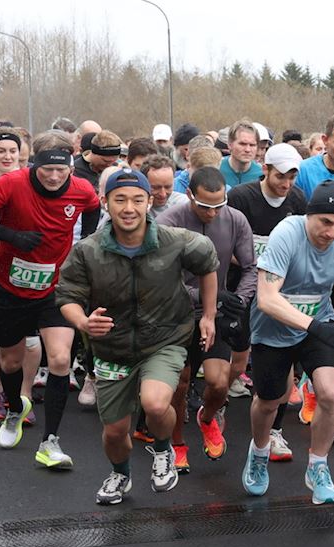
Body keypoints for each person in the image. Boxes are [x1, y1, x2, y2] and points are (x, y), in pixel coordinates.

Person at [56, 169, 219, 504]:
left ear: (148, 203)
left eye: (136, 199)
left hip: (165, 339)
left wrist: (209, 315)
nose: (128, 208)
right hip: (111, 348)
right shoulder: (87, 251)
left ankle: (163, 450)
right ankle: (120, 474)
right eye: (120, 200)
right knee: (115, 431)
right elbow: (67, 296)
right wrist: (84, 323)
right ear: (105, 203)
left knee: (155, 403)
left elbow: (208, 262)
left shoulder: (176, 241)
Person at [240, 181, 334, 504]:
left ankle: (318, 466)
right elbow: (267, 298)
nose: (331, 232)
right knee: (271, 400)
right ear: (308, 215)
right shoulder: (287, 233)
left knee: (330, 393)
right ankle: (259, 451)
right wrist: (315, 326)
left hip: (319, 322)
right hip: (273, 327)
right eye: (324, 222)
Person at [0, 130, 102, 466]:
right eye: (46, 169)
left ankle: (50, 441)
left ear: (71, 167)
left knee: (60, 360)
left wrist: (85, 243)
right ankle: (15, 408)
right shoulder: (12, 184)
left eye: (60, 170)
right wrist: (12, 236)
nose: (53, 176)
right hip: (9, 287)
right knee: (11, 362)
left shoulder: (81, 189)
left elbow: (92, 208)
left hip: (56, 288)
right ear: (34, 164)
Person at [157, 166, 256, 469]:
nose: (212, 213)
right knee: (180, 382)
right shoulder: (168, 222)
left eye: (218, 205)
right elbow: (161, 277)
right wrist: (206, 296)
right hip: (175, 313)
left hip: (216, 313)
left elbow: (252, 267)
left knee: (219, 382)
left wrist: (239, 299)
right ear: (189, 195)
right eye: (204, 206)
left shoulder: (235, 219)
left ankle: (207, 417)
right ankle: (177, 444)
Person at [227, 142, 307, 460]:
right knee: (237, 357)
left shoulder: (298, 200)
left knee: (279, 357)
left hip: (279, 290)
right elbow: (224, 241)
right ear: (265, 169)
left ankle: (273, 432)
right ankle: (216, 400)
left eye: (292, 178)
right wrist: (258, 263)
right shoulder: (242, 198)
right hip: (243, 284)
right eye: (280, 177)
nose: (286, 185)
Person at [0, 129, 41, 421]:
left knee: (30, 340)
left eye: (12, 151)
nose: (7, 156)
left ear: (20, 153)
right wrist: (11, 236)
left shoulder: (32, 180)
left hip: (29, 274)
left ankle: (23, 397)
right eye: (0, 150)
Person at [219, 120, 263, 189]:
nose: (247, 150)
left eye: (252, 145)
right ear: (230, 145)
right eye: (242, 144)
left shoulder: (262, 175)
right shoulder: (217, 169)